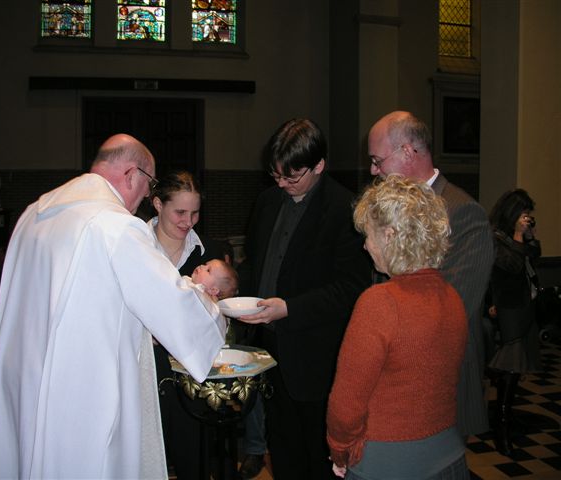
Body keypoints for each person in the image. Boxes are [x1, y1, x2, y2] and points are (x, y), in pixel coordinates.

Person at [0, 134, 226, 480]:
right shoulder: (114, 226)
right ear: (132, 174)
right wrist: (214, 312)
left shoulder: (34, 214)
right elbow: (175, 305)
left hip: (24, 381)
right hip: (79, 393)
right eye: (148, 186)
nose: (145, 197)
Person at [237, 118, 371, 479]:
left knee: (317, 456)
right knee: (282, 449)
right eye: (275, 175)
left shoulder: (344, 208)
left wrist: (289, 309)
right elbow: (256, 264)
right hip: (269, 349)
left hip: (315, 355)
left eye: (291, 177)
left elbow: (350, 288)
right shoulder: (268, 201)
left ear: (319, 165)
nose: (281, 184)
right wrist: (232, 288)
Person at [327, 175, 470, 480]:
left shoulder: (380, 302)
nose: (365, 246)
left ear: (390, 235)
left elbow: (346, 406)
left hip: (388, 463)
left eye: (368, 235)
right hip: (449, 455)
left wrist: (340, 451)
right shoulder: (452, 296)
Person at [367, 111, 494, 439]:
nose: (373, 171)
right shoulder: (386, 211)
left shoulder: (462, 211)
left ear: (408, 152)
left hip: (439, 380)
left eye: (378, 161)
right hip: (392, 376)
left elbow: (453, 307)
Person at [148, 170, 230, 479]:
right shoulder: (134, 246)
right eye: (180, 212)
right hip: (143, 369)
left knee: (192, 456)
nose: (189, 221)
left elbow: (219, 314)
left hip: (190, 376)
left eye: (195, 213)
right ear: (158, 204)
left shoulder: (209, 255)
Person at [487, 189, 542, 457]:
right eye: (523, 214)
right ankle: (502, 430)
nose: (526, 218)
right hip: (508, 308)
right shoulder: (496, 238)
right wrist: (520, 237)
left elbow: (535, 253)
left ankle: (506, 419)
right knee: (510, 366)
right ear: (512, 213)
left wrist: (528, 235)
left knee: (515, 370)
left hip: (523, 306)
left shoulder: (515, 236)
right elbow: (512, 265)